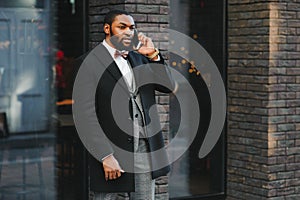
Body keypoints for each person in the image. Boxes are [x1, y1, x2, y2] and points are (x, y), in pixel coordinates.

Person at [72, 10, 176, 200]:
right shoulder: (87, 62)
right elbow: (84, 115)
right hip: (112, 149)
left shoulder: (139, 58)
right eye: (122, 27)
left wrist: (153, 55)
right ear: (107, 29)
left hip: (144, 147)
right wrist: (105, 155)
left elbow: (168, 86)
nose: (128, 32)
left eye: (132, 28)